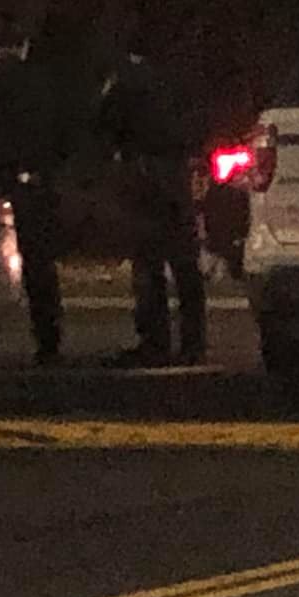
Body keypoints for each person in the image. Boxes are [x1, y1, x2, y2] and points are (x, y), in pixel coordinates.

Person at [0, 12, 89, 365]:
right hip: (33, 183)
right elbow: (66, 136)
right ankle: (48, 342)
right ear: (24, 46)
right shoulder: (43, 85)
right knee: (39, 265)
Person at [98, 38, 207, 367]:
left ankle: (155, 341)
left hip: (144, 177)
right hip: (175, 176)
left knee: (148, 264)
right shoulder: (180, 77)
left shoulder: (127, 81)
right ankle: (194, 343)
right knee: (185, 264)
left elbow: (105, 122)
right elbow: (198, 122)